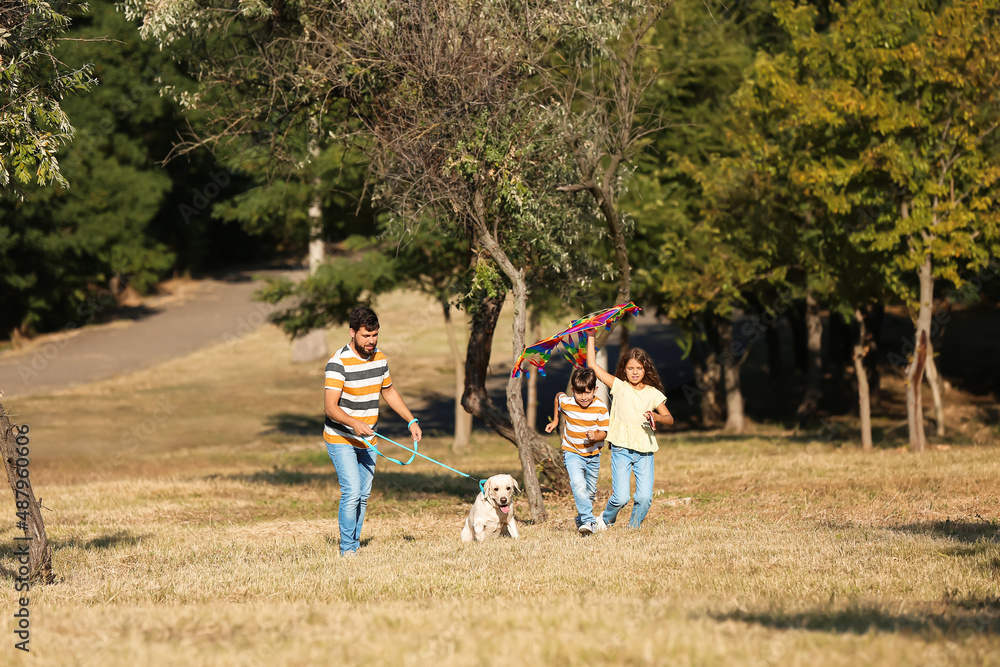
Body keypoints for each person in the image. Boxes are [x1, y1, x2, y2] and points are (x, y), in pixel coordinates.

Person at [324, 306, 422, 557]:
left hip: (369, 439)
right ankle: (347, 550)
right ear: (352, 332)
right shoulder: (337, 363)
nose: (371, 341)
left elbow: (388, 390)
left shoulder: (380, 358)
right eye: (366, 335)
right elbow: (330, 408)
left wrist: (411, 420)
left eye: (375, 335)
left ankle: (354, 544)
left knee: (363, 495)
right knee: (352, 492)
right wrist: (354, 423)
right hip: (341, 437)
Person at [585, 332, 673, 529]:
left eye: (639, 368)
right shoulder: (619, 386)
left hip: (645, 450)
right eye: (630, 368)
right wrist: (591, 336)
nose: (634, 372)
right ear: (624, 370)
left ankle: (633, 528)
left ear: (645, 369)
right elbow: (592, 364)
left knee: (644, 497)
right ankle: (605, 520)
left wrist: (657, 417)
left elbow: (669, 418)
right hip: (621, 449)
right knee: (622, 497)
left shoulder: (653, 393)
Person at [544, 367, 610, 535]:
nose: (583, 397)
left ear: (595, 390)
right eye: (579, 393)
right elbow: (559, 396)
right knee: (577, 484)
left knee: (589, 491)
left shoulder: (601, 408)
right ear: (573, 390)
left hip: (593, 456)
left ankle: (581, 519)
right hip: (572, 452)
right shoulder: (568, 402)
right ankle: (589, 521)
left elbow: (604, 433)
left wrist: (595, 437)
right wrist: (556, 419)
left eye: (588, 393)